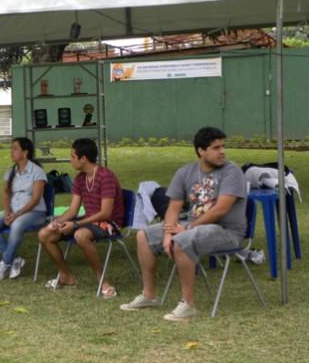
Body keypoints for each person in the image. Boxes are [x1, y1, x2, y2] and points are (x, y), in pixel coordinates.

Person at [120, 126, 247, 321]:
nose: (222, 152)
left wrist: (187, 228)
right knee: (144, 235)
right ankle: (149, 295)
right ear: (201, 151)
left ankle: (188, 305)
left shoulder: (232, 172)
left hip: (227, 231)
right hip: (191, 226)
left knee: (184, 240)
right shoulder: (186, 172)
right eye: (216, 148)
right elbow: (173, 208)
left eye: (223, 146)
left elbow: (221, 209)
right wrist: (168, 232)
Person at [38, 138, 124, 296]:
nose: (70, 160)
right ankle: (66, 276)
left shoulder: (106, 177)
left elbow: (105, 213)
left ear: (83, 159)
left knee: (80, 235)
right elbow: (72, 210)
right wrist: (56, 223)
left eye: (72, 156)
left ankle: (103, 281)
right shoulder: (79, 178)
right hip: (90, 220)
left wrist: (76, 225)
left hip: (109, 223)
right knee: (45, 234)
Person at [0, 137, 47, 280]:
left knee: (17, 224)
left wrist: (17, 214)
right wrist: (8, 212)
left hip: (34, 212)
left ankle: (5, 263)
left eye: (15, 148)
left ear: (25, 153)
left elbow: (35, 199)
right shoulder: (11, 171)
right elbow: (6, 194)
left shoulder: (37, 171)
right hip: (14, 211)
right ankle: (15, 259)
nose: (11, 152)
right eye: (11, 148)